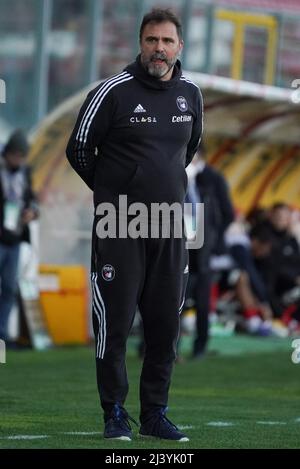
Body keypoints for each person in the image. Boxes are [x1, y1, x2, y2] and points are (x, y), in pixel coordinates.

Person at [66, 8, 203, 441]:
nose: (158, 49)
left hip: (169, 225)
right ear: (140, 44)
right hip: (118, 224)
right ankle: (114, 414)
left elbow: (189, 150)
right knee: (115, 323)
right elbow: (79, 150)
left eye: (166, 41)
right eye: (151, 40)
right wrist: (114, 191)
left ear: (179, 47)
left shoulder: (192, 94)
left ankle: (155, 415)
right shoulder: (112, 92)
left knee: (165, 323)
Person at [185, 150, 234, 358]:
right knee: (172, 297)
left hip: (204, 248)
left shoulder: (213, 178)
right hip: (180, 245)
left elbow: (227, 213)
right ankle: (166, 347)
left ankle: (200, 347)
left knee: (202, 300)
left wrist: (213, 239)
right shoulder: (173, 175)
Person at [0, 130, 39, 341]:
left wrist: (32, 212)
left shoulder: (25, 173)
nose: (19, 159)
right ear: (7, 153)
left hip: (14, 239)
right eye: (16, 155)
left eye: (22, 156)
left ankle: (2, 335)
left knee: (8, 288)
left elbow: (33, 200)